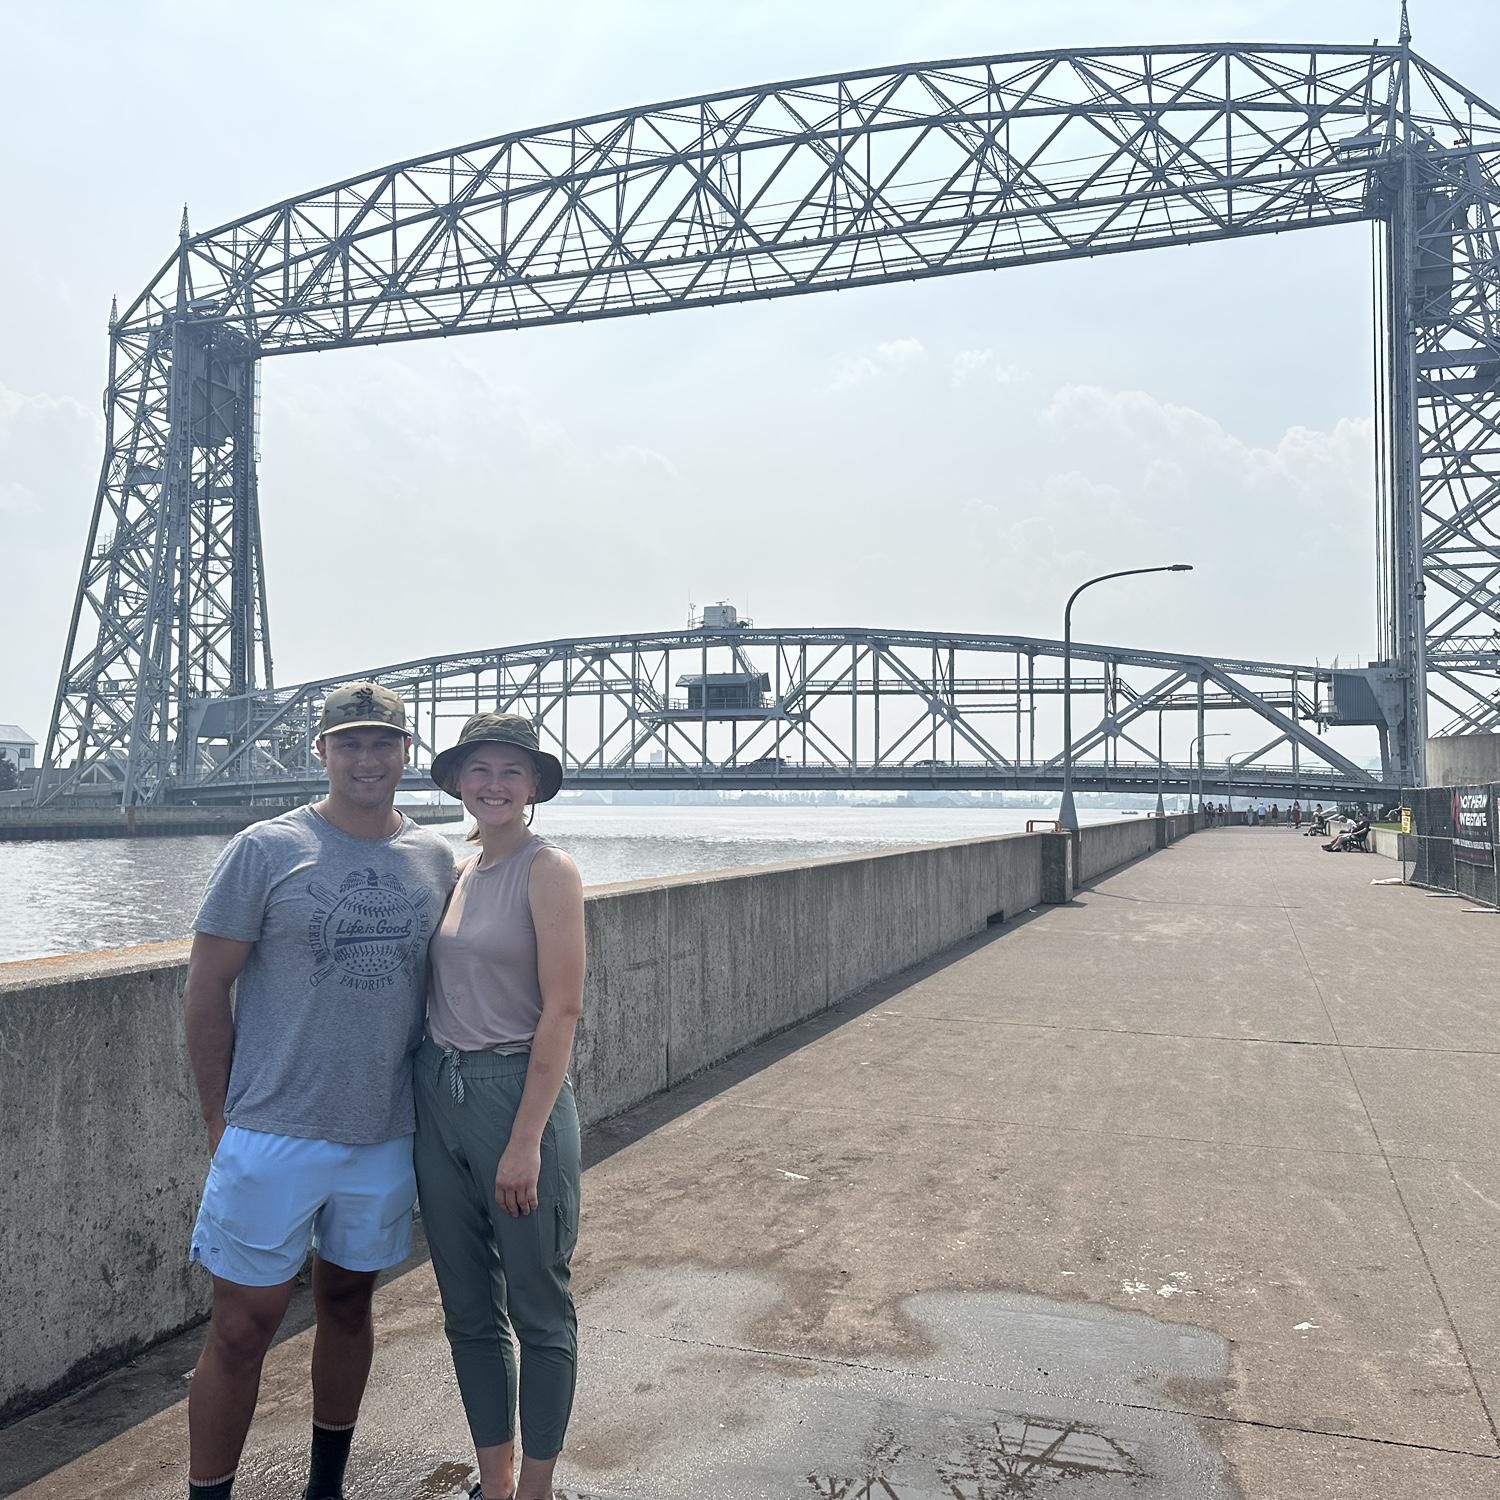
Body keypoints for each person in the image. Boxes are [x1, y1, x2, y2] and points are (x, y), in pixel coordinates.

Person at [182, 682, 456, 1500]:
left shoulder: (437, 858)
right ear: (322, 753)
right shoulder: (266, 848)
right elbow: (205, 988)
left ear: (408, 752)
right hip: (274, 1129)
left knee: (347, 1306)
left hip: (382, 1131)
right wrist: (219, 1122)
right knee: (241, 1327)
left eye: (382, 743)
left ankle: (325, 1490)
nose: (366, 759)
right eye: (349, 744)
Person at [415, 714, 586, 1500]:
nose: (492, 784)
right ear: (455, 781)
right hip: (438, 1095)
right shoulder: (457, 867)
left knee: (538, 1306)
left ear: (534, 788)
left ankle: (537, 1490)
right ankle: (495, 1479)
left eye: (511, 772)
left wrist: (526, 1142)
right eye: (478, 769)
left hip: (515, 1098)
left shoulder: (548, 870)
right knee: (468, 1311)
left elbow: (563, 1012)